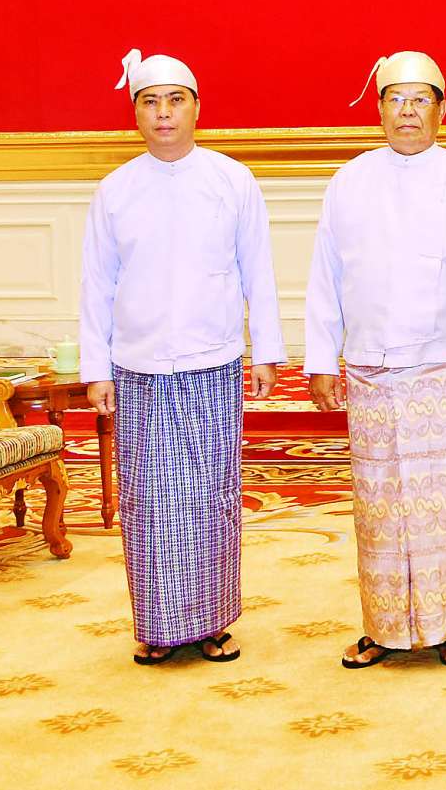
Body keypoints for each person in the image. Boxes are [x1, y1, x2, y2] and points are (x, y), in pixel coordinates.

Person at [80, 49, 284, 666]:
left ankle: (213, 622)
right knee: (148, 499)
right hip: (137, 367)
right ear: (135, 113)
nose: (164, 113)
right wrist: (96, 368)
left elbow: (258, 272)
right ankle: (157, 626)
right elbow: (97, 285)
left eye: (175, 100)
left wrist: (266, 352)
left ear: (197, 108)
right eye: (150, 102)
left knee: (210, 495)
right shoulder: (115, 190)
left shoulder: (231, 179)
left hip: (212, 361)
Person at [305, 51, 446, 670]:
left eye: (420, 100)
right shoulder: (349, 182)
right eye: (395, 99)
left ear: (443, 110)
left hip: (444, 371)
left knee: (445, 502)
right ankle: (383, 628)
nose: (407, 111)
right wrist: (321, 360)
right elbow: (326, 278)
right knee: (379, 504)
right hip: (370, 372)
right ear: (379, 108)